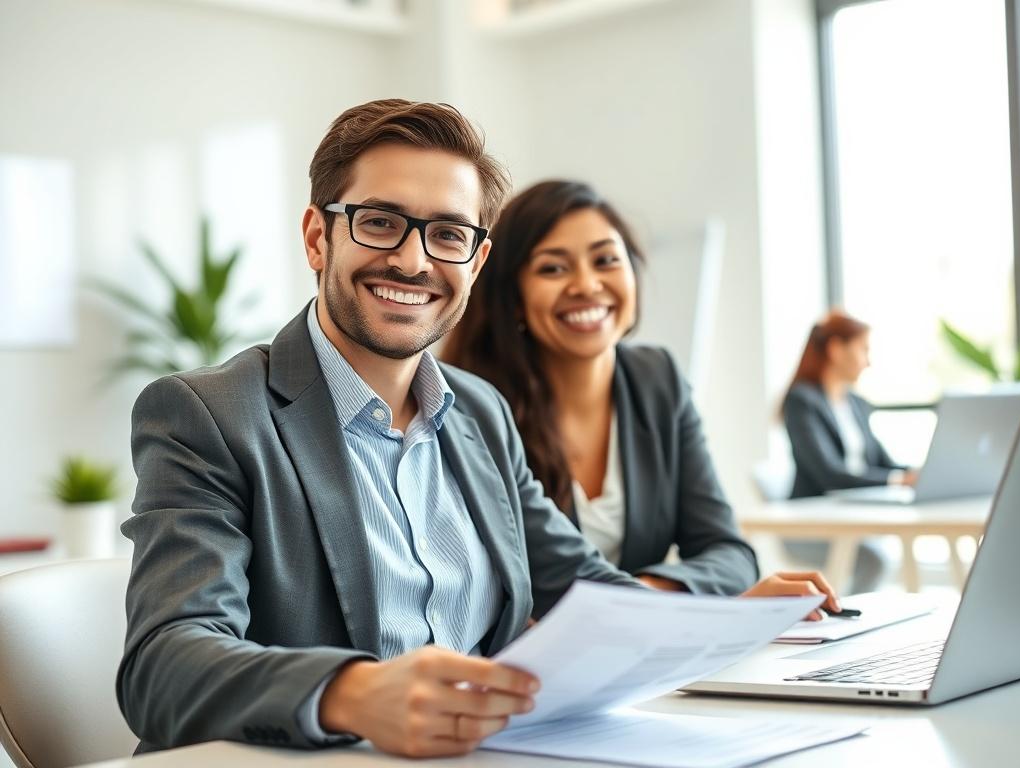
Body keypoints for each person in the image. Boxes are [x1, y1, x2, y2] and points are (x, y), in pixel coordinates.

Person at [117, 100, 645, 759]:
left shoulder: (482, 411)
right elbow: (163, 667)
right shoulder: (209, 415)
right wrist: (356, 694)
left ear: (476, 262)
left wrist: (743, 623)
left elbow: (584, 583)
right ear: (318, 236)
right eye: (380, 223)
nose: (413, 260)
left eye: (449, 235)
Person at [443, 179, 837, 601]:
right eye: (553, 268)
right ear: (513, 298)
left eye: (606, 260)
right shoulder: (470, 406)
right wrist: (650, 605)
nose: (587, 285)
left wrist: (652, 593)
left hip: (646, 649)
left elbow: (728, 552)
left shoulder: (657, 381)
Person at [781, 310, 916, 592]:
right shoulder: (801, 401)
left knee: (879, 555)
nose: (868, 362)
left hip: (853, 518)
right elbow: (830, 475)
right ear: (836, 349)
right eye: (863, 349)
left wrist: (916, 474)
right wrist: (897, 480)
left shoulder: (855, 404)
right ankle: (851, 625)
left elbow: (884, 463)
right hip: (811, 526)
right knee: (875, 560)